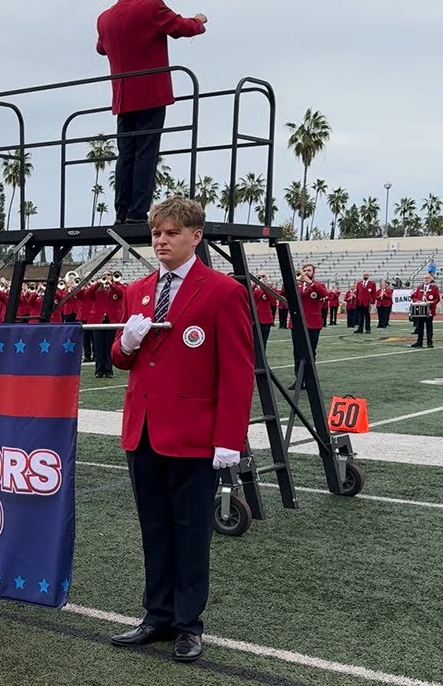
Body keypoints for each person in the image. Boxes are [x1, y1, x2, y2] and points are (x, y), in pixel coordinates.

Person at [108, 196, 253, 663]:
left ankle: (188, 623)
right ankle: (157, 615)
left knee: (190, 533)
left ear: (196, 236)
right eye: (156, 233)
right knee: (155, 530)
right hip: (144, 430)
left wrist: (230, 438)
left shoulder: (222, 291)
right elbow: (123, 358)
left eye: (172, 233)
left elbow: (236, 371)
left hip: (193, 435)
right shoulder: (139, 291)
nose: (162, 240)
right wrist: (125, 342)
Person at [96, 0, 206, 224]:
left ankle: (122, 214)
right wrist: (200, 21)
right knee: (146, 153)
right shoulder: (152, 7)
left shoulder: (104, 18)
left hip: (122, 97)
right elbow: (182, 27)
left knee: (127, 155)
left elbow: (101, 47)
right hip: (150, 95)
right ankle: (137, 214)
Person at [290, 263, 329, 390]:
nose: (306, 272)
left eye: (309, 270)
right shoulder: (297, 285)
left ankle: (309, 380)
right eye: (304, 270)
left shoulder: (318, 285)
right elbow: (285, 293)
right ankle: (299, 380)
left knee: (310, 353)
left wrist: (310, 282)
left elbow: (323, 293)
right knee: (297, 352)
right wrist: (290, 280)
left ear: (313, 273)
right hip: (297, 323)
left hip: (313, 323)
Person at [410, 274, 440, 348]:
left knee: (429, 327)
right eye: (425, 278)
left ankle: (429, 342)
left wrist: (432, 303)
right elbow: (414, 297)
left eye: (428, 278)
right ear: (423, 279)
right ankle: (419, 342)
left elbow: (437, 298)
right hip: (420, 310)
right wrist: (417, 301)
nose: (426, 279)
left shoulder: (434, 288)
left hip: (429, 310)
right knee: (420, 327)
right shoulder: (419, 287)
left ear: (430, 279)